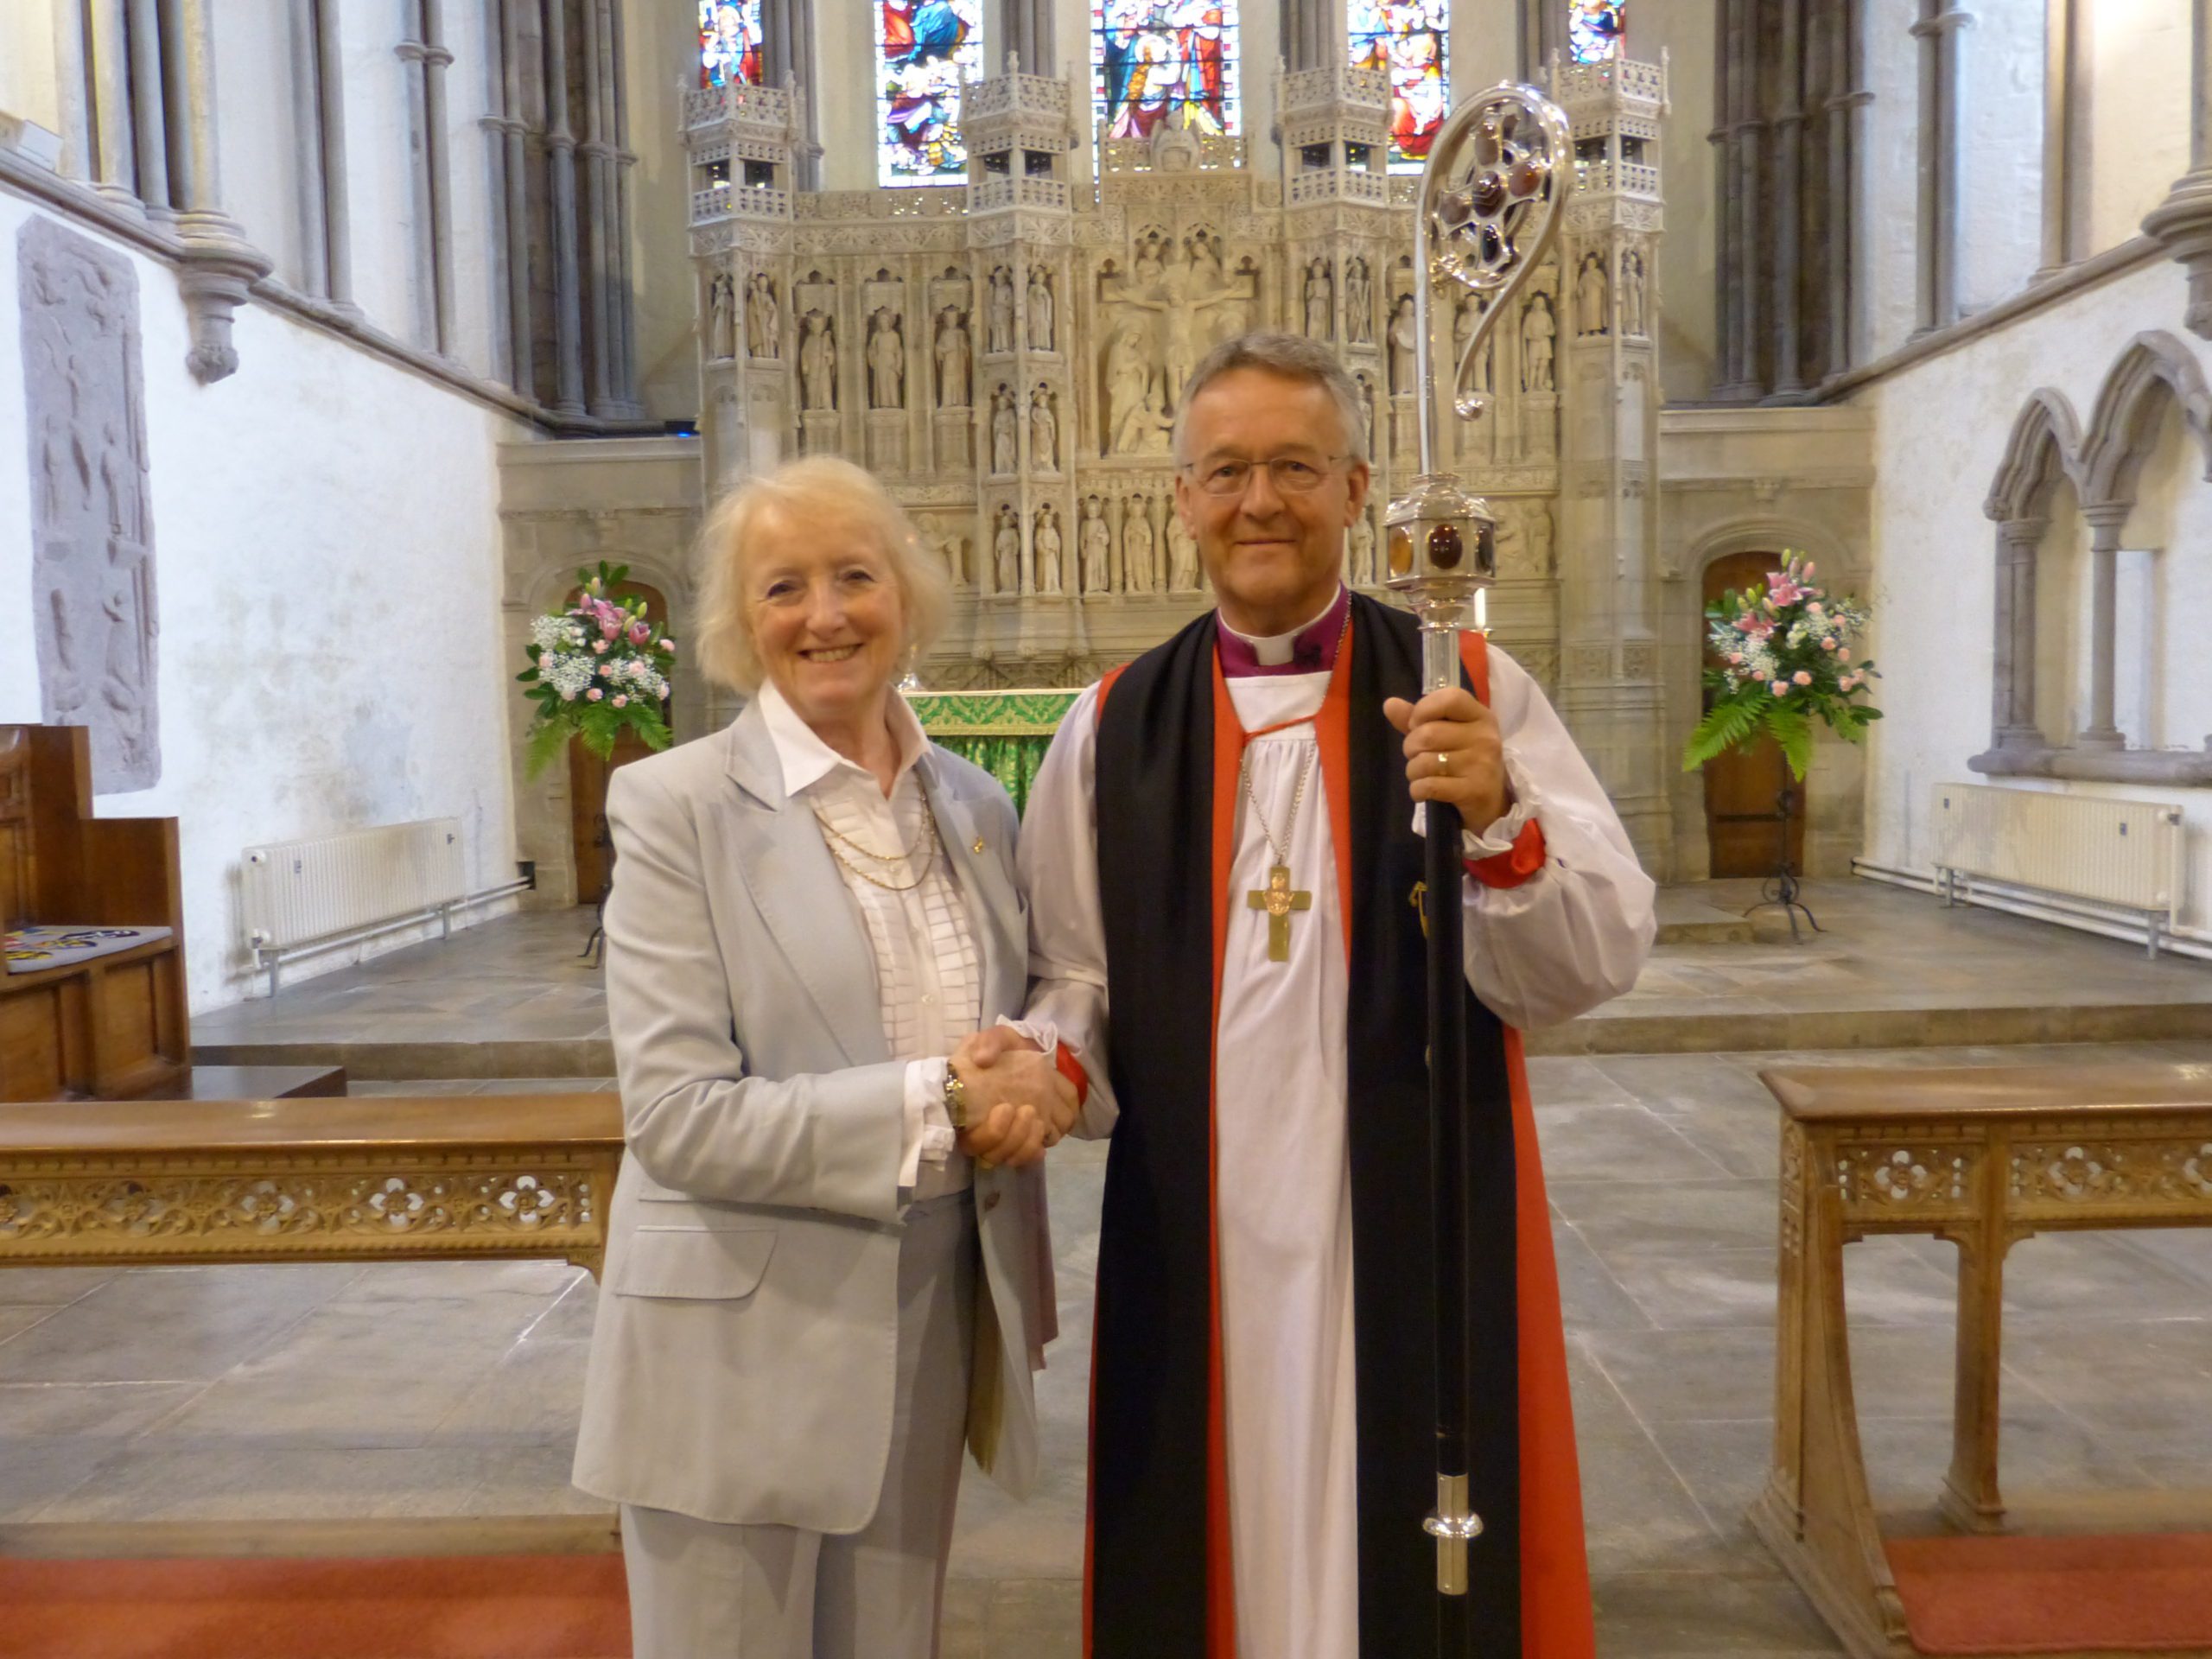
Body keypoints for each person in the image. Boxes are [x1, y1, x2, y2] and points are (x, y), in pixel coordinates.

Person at [1001, 332, 1655, 1657]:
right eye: (1226, 470)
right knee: (1210, 1517)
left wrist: (1502, 822)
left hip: (1410, 1207)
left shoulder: (1468, 692)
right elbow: (1074, 976)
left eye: (1296, 467)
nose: (1260, 501)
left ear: (1357, 491)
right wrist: (1047, 1062)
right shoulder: (1111, 726)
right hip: (1199, 1222)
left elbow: (1593, 958)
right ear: (1181, 498)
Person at [572, 454, 1080, 1658]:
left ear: (907, 595)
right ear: (740, 623)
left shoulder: (973, 804)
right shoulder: (677, 806)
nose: (826, 615)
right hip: (738, 1333)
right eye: (783, 587)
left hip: (932, 1302)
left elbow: (1016, 1021)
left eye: (856, 576)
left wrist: (1034, 1072)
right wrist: (942, 1096)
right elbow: (679, 1117)